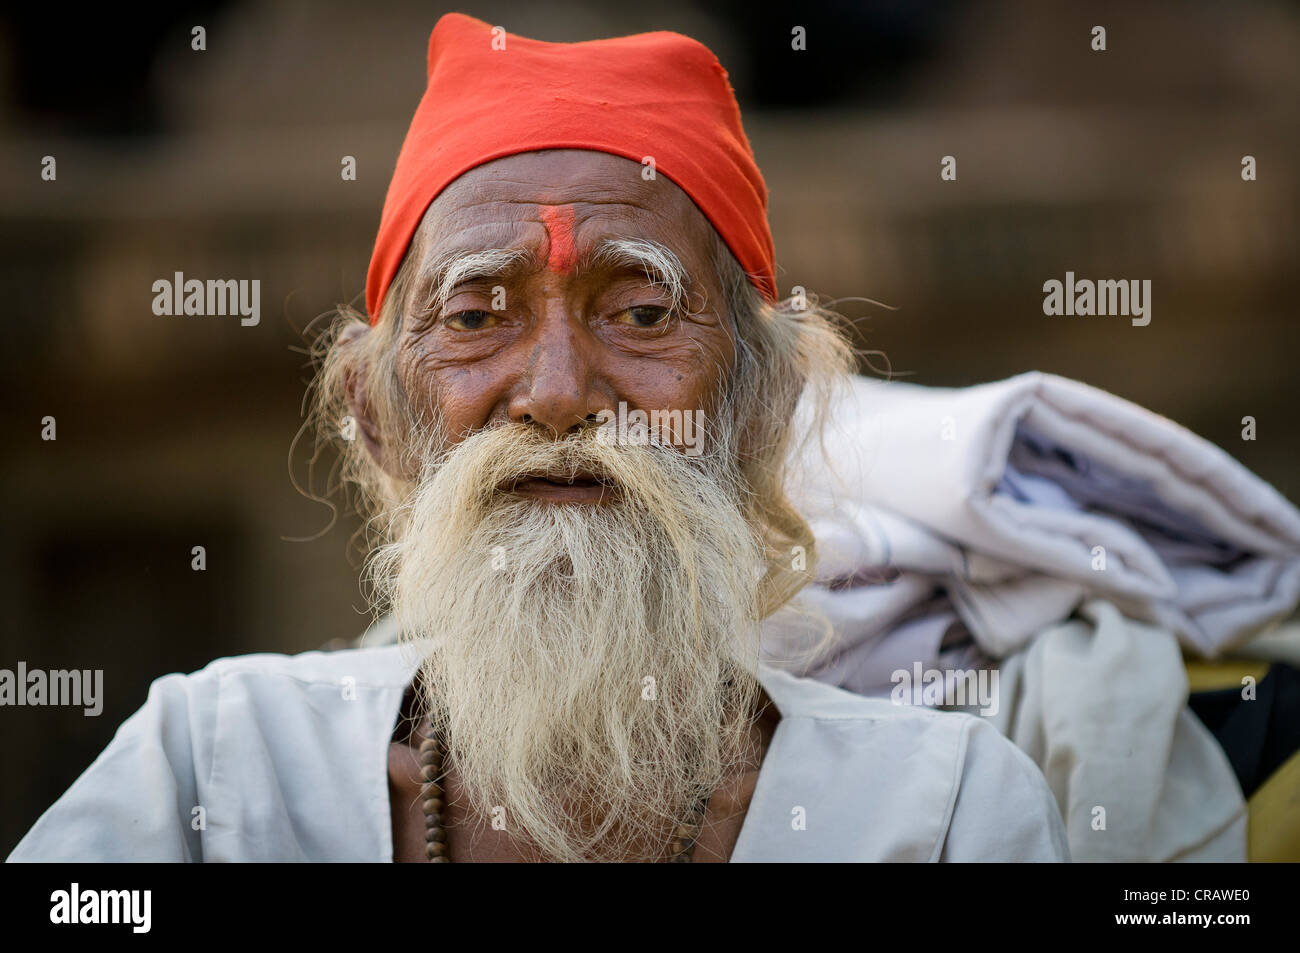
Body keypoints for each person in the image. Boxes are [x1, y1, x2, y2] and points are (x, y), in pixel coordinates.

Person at [8, 13, 1068, 863]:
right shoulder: (209, 772)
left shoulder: (942, 813)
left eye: (642, 313)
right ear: (376, 419)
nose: (557, 395)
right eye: (474, 315)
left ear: (764, 410)